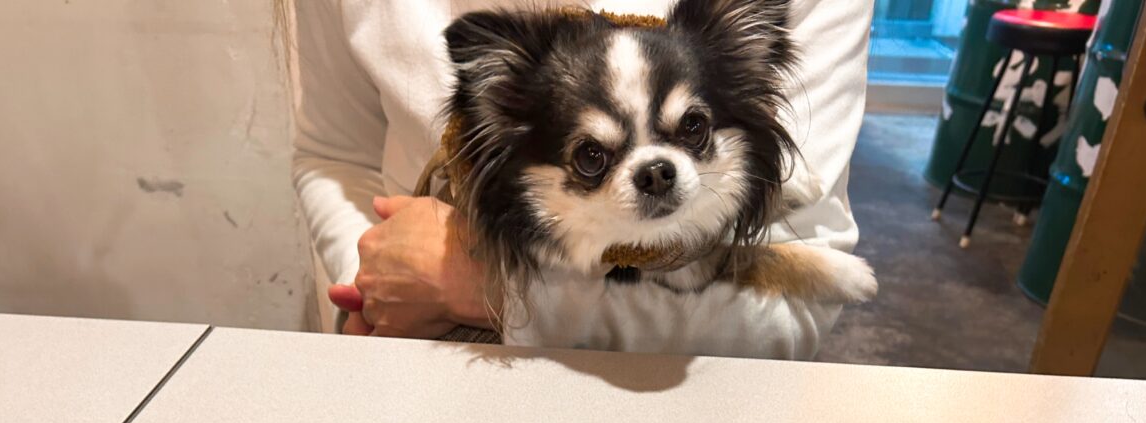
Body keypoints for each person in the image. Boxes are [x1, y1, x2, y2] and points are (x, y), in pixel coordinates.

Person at [285, 0, 871, 357]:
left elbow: (804, 305)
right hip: (431, 364)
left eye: (690, 129)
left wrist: (484, 292)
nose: (656, 170)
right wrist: (371, 284)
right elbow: (333, 152)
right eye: (592, 155)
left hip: (713, 403)